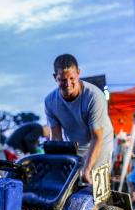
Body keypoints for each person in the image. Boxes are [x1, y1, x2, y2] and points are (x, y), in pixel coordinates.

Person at [44, 54, 114, 183]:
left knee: (92, 182)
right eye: (62, 80)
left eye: (72, 78)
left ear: (78, 73)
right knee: (70, 183)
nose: (68, 84)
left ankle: (100, 202)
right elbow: (57, 139)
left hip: (100, 142)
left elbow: (96, 137)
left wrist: (87, 170)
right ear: (55, 77)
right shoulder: (50, 101)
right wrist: (57, 167)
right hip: (75, 145)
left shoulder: (94, 97)